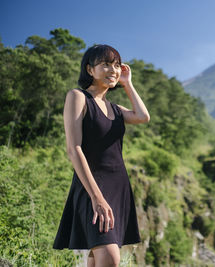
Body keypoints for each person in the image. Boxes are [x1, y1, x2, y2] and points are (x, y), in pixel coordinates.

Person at [53, 44, 150, 267]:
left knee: (97, 259)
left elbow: (143, 116)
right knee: (109, 257)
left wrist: (128, 83)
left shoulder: (115, 108)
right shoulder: (78, 97)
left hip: (118, 188)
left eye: (116, 65)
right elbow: (73, 148)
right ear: (89, 70)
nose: (113, 70)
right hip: (91, 187)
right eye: (105, 64)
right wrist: (96, 198)